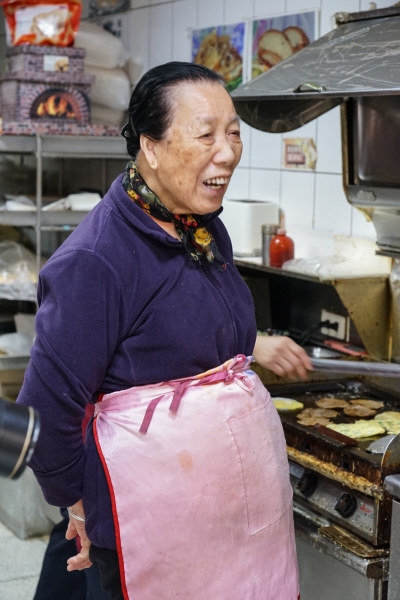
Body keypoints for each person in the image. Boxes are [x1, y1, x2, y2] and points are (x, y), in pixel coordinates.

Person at [17, 62, 311, 600]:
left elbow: (187, 332)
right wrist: (78, 505)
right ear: (150, 147)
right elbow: (45, 408)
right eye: (205, 135)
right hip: (149, 530)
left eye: (233, 133)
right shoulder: (96, 260)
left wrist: (252, 343)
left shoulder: (202, 226)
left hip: (230, 520)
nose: (227, 152)